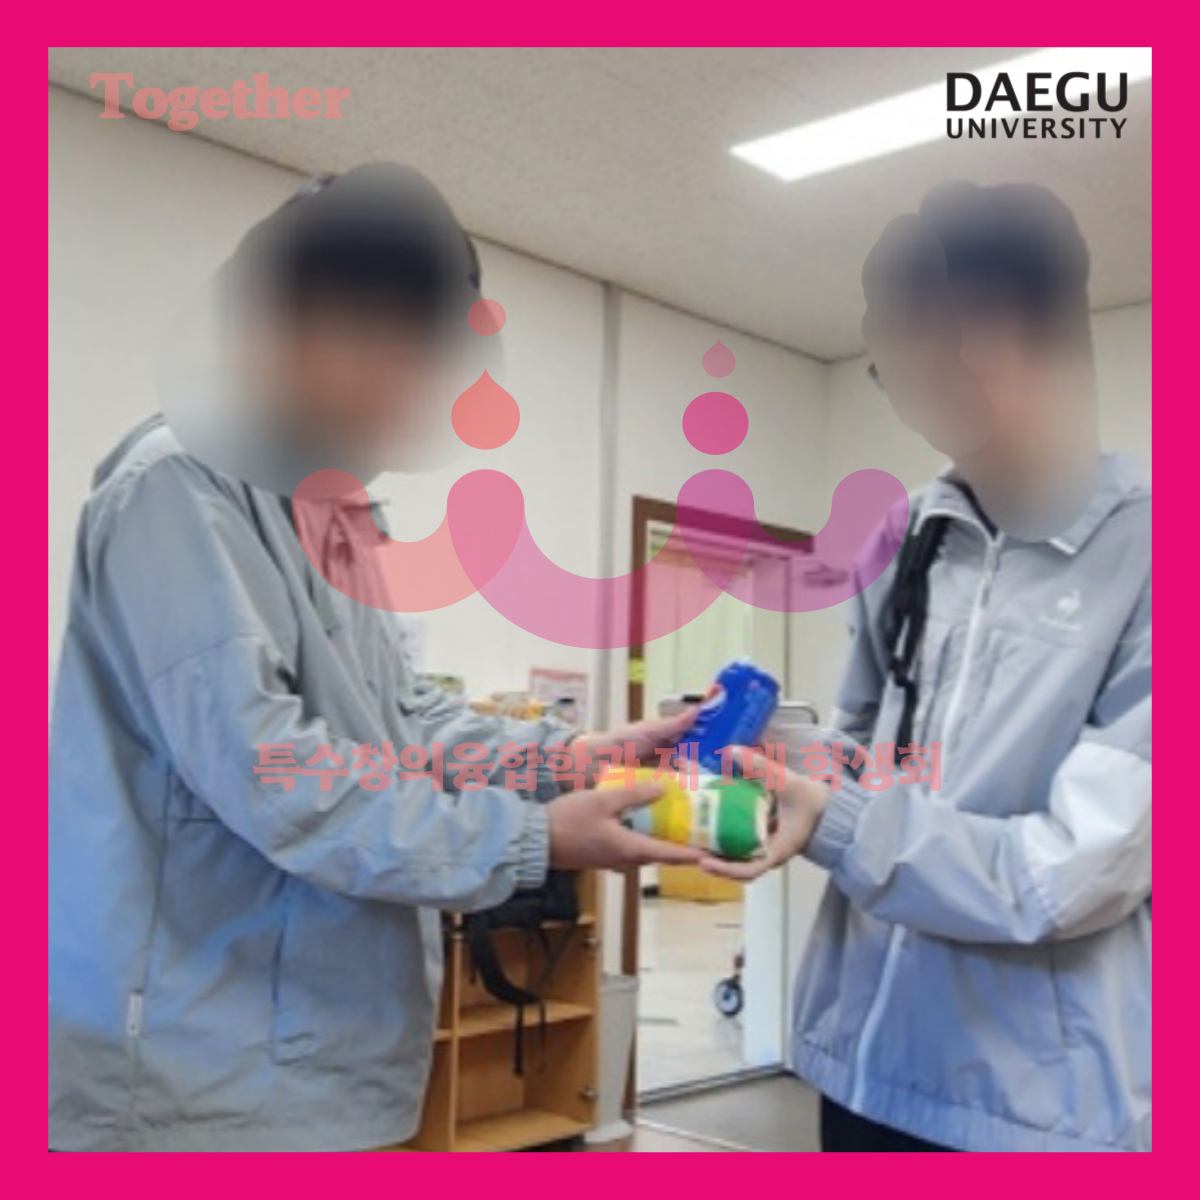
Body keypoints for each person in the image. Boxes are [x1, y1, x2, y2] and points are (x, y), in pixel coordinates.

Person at [48, 164, 699, 1152]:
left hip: (322, 1052)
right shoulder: (180, 488)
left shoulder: (332, 508)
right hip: (197, 1067)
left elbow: (406, 721)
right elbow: (279, 776)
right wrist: (535, 840)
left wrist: (570, 759)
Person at [705, 182, 1151, 1153]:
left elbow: (1077, 872)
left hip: (1029, 1104)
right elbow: (868, 755)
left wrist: (837, 820)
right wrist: (769, 753)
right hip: (859, 1059)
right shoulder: (905, 535)